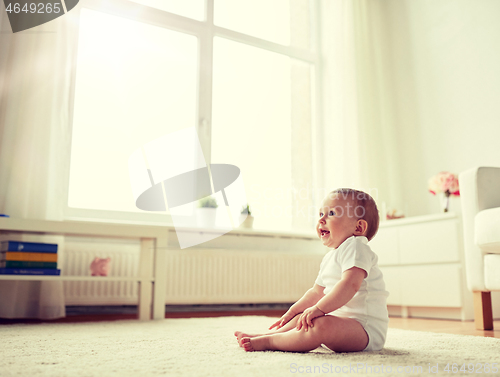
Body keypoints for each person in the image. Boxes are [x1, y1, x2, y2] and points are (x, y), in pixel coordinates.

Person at [234, 188, 389, 353]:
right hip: (342, 324)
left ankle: (271, 342)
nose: (322, 219)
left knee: (319, 323)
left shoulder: (357, 246)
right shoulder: (330, 256)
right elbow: (316, 292)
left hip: (365, 330)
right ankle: (268, 334)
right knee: (303, 316)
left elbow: (350, 285)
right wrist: (294, 310)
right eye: (321, 214)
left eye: (331, 213)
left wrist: (319, 309)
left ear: (358, 227)